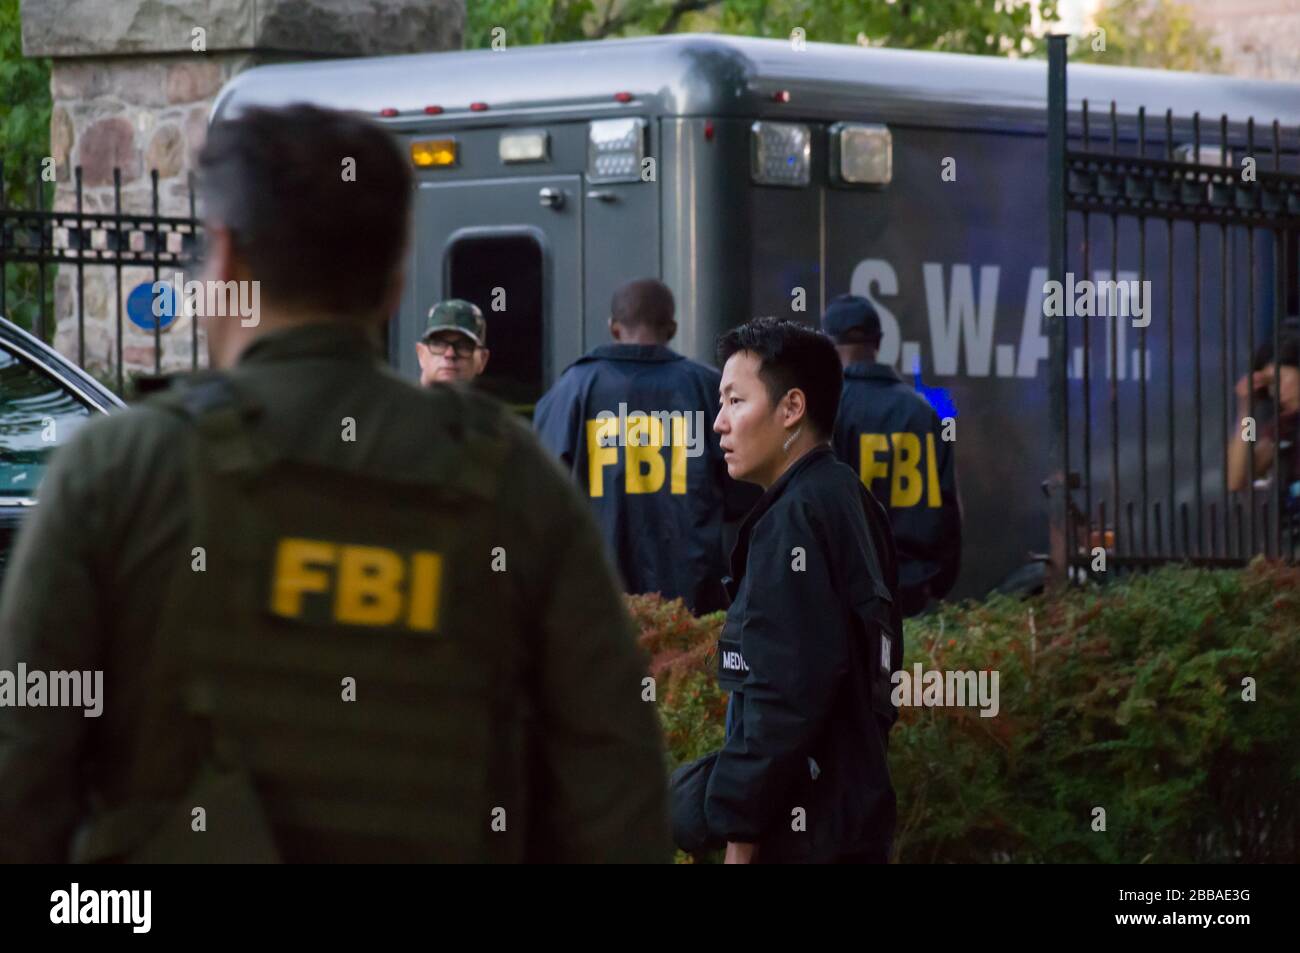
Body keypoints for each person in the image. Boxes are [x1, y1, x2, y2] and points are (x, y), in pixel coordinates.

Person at [0, 104, 669, 864]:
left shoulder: (118, 471)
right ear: (394, 284)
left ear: (226, 259)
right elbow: (617, 800)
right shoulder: (512, 483)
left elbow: (22, 784)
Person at [670, 317, 902, 864]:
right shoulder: (849, 500)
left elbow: (780, 703)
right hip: (848, 826)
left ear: (792, 408)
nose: (718, 423)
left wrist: (739, 841)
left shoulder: (794, 520)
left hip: (799, 839)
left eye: (735, 401)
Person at [533, 278, 754, 615]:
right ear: (672, 328)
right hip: (690, 605)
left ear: (614, 328)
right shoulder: (709, 388)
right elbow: (743, 492)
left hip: (596, 603)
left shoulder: (572, 389)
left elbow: (539, 499)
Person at [822, 294, 961, 616]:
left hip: (847, 591)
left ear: (827, 344)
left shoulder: (826, 411)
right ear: (880, 342)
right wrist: (939, 583)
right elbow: (949, 503)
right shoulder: (923, 411)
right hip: (913, 590)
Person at [1228, 333, 1300, 495]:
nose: (1275, 392)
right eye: (1270, 385)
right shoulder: (1285, 425)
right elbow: (1238, 478)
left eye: (1279, 379)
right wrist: (1246, 413)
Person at [416, 298, 490, 386]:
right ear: (421, 354)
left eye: (463, 346)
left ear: (482, 359)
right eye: (439, 344)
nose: (449, 354)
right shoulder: (401, 394)